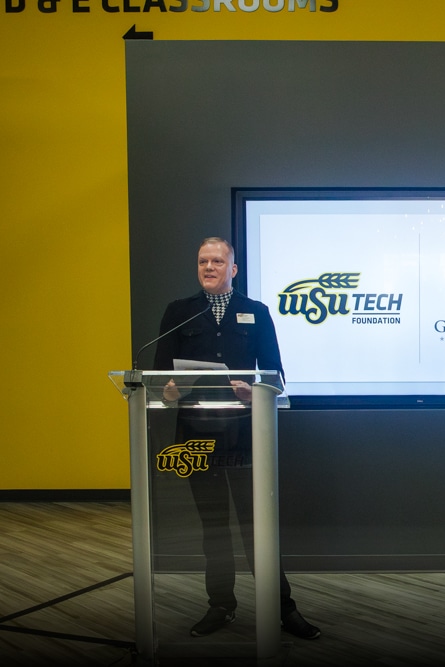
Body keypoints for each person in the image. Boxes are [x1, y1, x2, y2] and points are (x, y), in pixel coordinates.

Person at [153, 237, 320, 640]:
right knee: (213, 528)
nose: (208, 267)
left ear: (233, 268)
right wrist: (168, 390)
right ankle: (221, 605)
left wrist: (255, 391)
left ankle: (282, 609)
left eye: (217, 261)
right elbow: (160, 379)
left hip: (245, 437)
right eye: (202, 261)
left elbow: (277, 377)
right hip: (196, 437)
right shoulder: (178, 313)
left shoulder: (256, 312)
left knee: (255, 528)